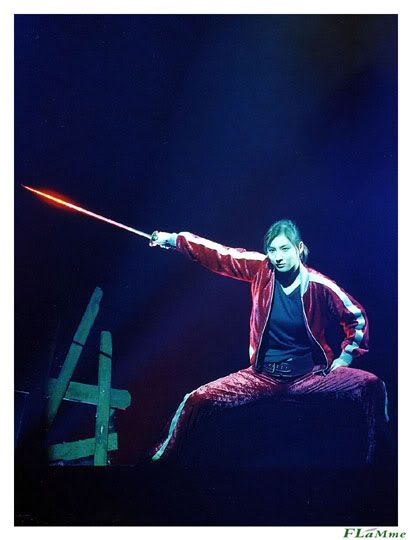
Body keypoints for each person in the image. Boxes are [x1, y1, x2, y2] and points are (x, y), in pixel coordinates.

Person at [149, 219, 388, 464]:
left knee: (373, 386)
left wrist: (346, 356)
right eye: (272, 250)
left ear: (299, 248)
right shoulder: (261, 269)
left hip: (308, 377)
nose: (278, 257)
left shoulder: (319, 285)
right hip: (261, 377)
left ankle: (380, 467)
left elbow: (356, 317)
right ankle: (155, 463)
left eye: (284, 249)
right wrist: (172, 240)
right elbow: (218, 254)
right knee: (195, 400)